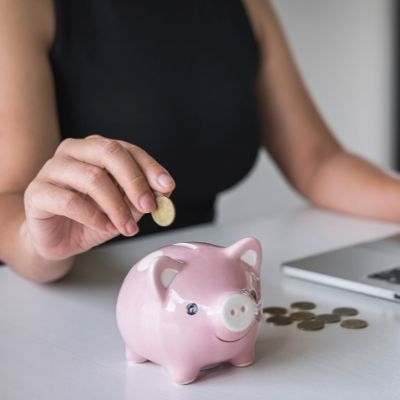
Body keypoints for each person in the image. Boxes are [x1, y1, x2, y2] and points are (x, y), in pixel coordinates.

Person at [0, 0, 398, 283]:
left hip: (202, 285)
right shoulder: (22, 8)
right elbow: (11, 198)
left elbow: (318, 161)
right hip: (67, 299)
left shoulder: (245, 5)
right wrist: (37, 245)